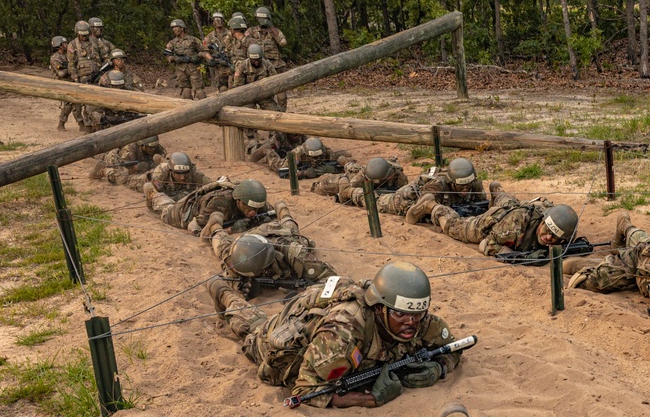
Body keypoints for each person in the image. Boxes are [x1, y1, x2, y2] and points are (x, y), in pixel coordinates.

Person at [207, 261, 464, 408]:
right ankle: (222, 291)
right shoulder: (343, 334)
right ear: (379, 308)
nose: (411, 322)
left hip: (317, 332)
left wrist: (439, 369)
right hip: (279, 342)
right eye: (400, 315)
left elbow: (454, 347)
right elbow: (306, 391)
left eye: (417, 314)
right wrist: (370, 400)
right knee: (250, 328)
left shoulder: (416, 316)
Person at [201, 200, 336, 298]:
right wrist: (243, 286)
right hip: (252, 238)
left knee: (290, 225)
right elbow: (229, 275)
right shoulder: (237, 255)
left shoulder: (295, 254)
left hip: (281, 234)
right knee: (220, 242)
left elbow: (331, 279)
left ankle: (281, 207)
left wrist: (306, 295)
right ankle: (215, 224)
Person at [407, 186, 579, 259]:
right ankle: (430, 205)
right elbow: (486, 244)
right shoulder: (512, 229)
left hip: (514, 209)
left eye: (554, 237)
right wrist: (512, 255)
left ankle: (498, 192)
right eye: (547, 230)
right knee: (454, 227)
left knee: (509, 203)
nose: (548, 237)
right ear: (542, 221)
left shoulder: (562, 225)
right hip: (490, 224)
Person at [336, 157, 487, 218]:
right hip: (406, 200)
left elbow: (482, 204)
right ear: (451, 182)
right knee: (374, 201)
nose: (465, 189)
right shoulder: (436, 187)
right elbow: (419, 210)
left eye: (468, 185)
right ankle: (349, 191)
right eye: (460, 186)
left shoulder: (475, 184)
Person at [144, 178, 272, 235]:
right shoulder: (220, 204)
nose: (253, 211)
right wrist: (231, 230)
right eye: (249, 208)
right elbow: (194, 228)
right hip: (183, 215)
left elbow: (272, 213)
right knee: (166, 207)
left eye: (256, 209)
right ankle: (152, 192)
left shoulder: (254, 201)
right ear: (238, 200)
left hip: (200, 203)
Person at [245, 6, 288, 109]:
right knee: (264, 94)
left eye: (264, 18)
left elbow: (283, 42)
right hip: (259, 66)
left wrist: (271, 27)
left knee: (281, 92)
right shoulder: (251, 31)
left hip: (275, 65)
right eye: (259, 18)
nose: (261, 20)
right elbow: (243, 43)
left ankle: (282, 112)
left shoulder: (274, 31)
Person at [88, 135, 167, 187]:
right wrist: (137, 167)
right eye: (150, 148)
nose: (153, 149)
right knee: (101, 156)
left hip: (137, 162)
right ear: (142, 146)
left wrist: (150, 165)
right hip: (114, 159)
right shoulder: (130, 151)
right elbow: (124, 171)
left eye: (155, 147)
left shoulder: (156, 148)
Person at [165, 19, 209, 100]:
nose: (174, 29)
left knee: (199, 91)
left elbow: (204, 51)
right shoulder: (172, 43)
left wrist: (197, 56)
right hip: (181, 70)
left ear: (182, 28)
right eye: (173, 28)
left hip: (194, 69)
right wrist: (174, 58)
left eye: (176, 27)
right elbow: (167, 56)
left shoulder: (193, 40)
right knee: (186, 91)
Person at [143, 151, 212, 200]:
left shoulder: (194, 172)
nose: (182, 177)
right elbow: (157, 193)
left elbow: (210, 184)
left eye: (185, 173)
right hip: (147, 178)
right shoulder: (160, 172)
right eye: (178, 174)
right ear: (171, 171)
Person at [276, 137, 355, 180]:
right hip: (279, 161)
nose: (316, 159)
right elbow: (283, 171)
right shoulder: (297, 154)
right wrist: (304, 173)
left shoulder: (325, 151)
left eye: (318, 157)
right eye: (312, 157)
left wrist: (332, 169)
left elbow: (338, 159)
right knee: (273, 161)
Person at [50, 36, 84, 132]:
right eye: (64, 43)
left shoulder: (68, 55)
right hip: (62, 84)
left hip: (71, 82)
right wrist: (71, 69)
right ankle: (64, 123)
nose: (66, 45)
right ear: (59, 46)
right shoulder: (55, 58)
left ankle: (80, 124)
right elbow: (61, 73)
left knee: (76, 103)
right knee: (69, 104)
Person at [203, 11, 231, 93]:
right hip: (219, 69)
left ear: (223, 21)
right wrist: (210, 58)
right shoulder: (209, 36)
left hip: (230, 65)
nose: (218, 21)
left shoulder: (230, 34)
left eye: (219, 19)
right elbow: (204, 51)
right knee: (223, 89)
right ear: (213, 22)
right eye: (216, 20)